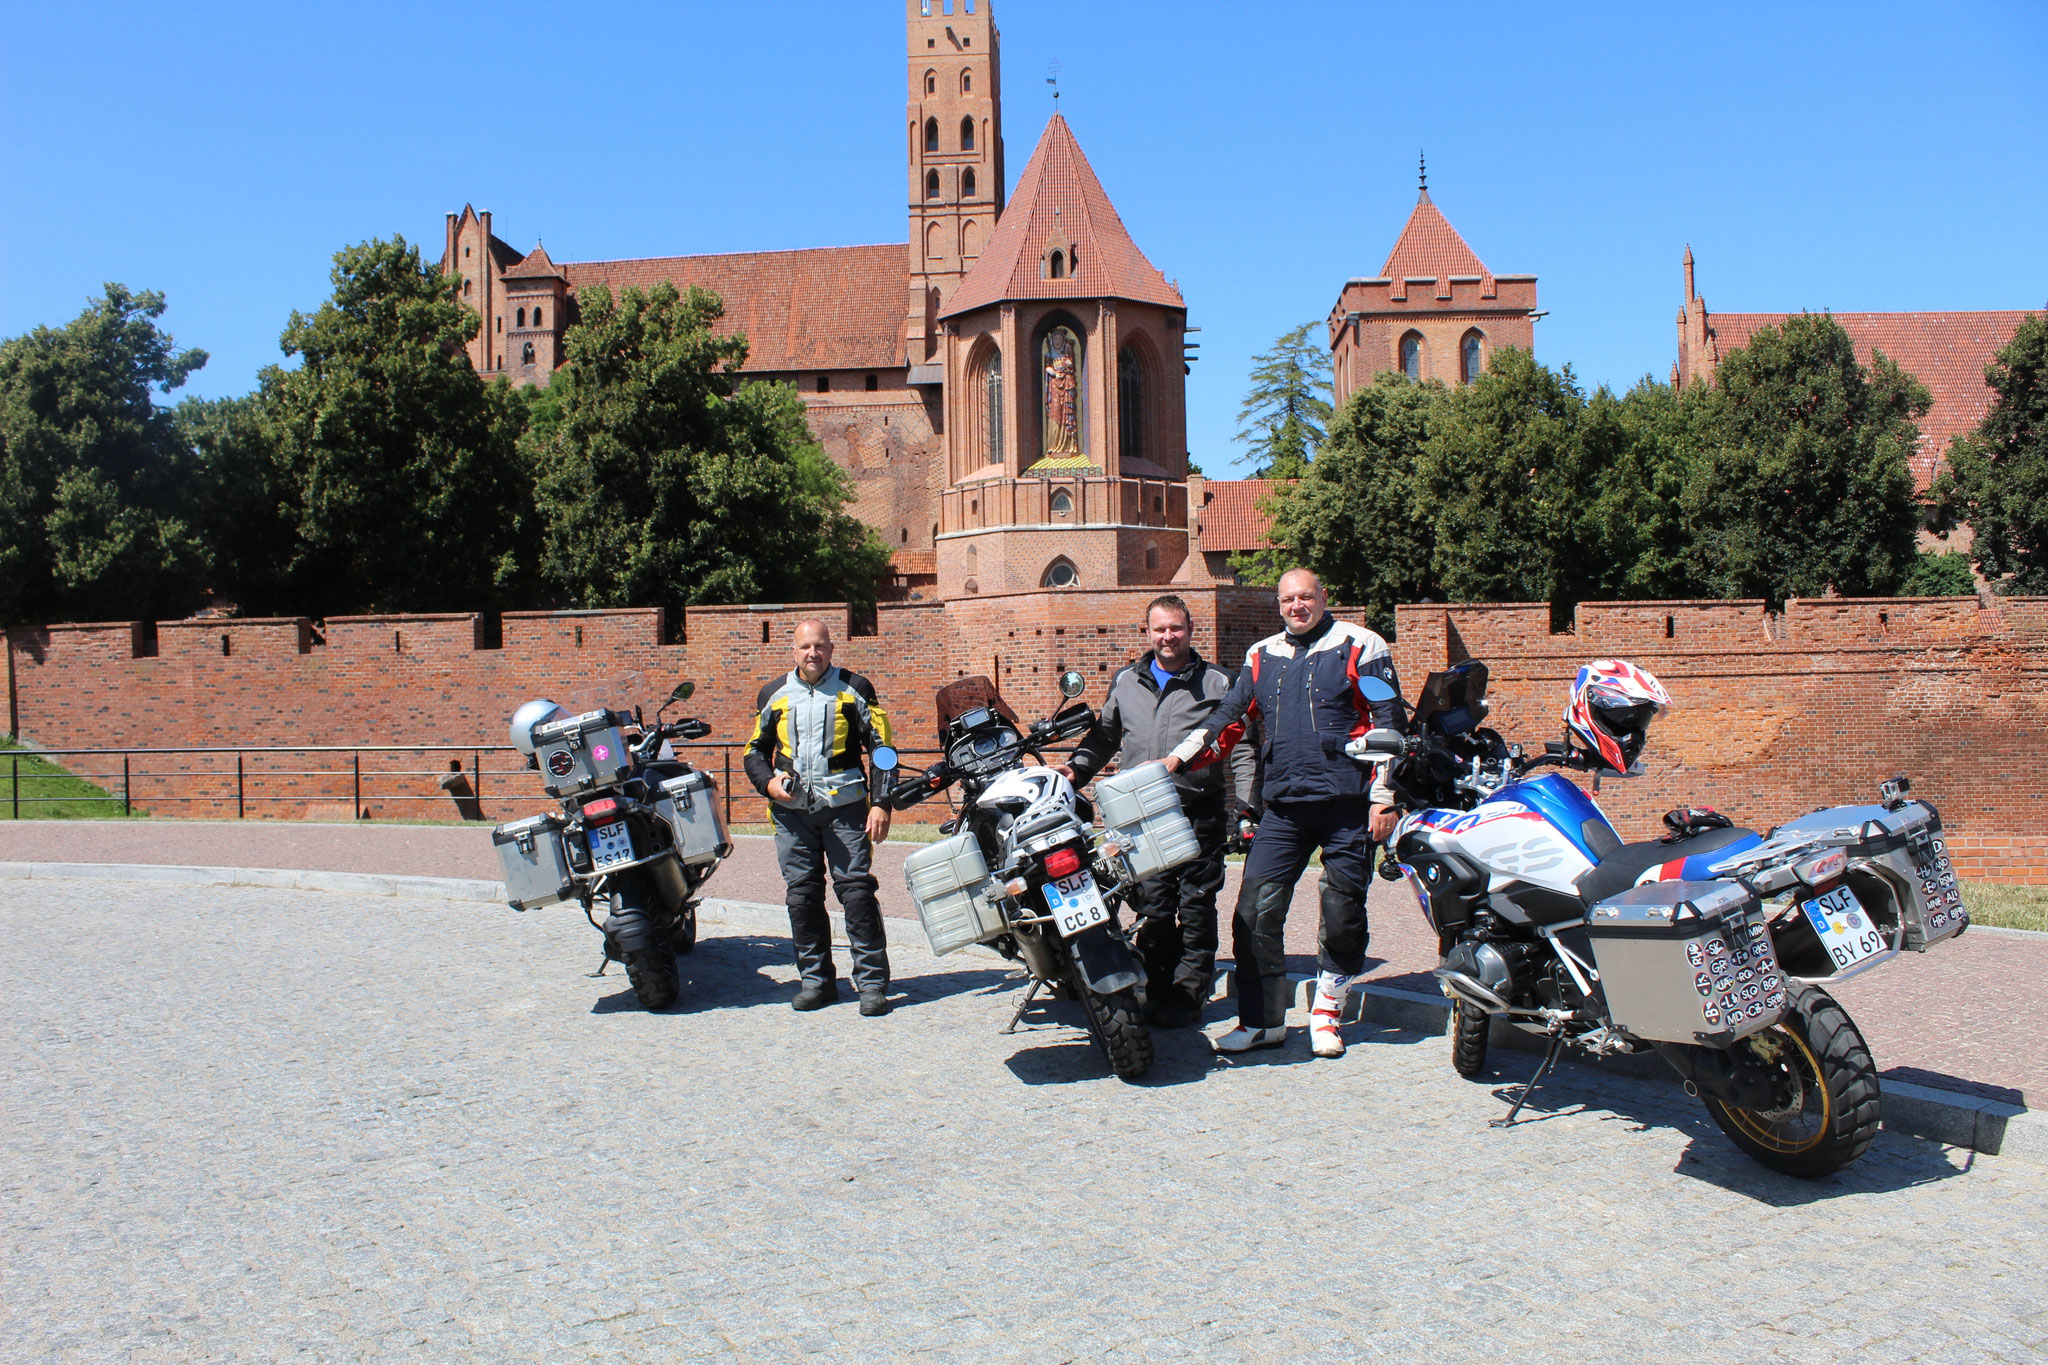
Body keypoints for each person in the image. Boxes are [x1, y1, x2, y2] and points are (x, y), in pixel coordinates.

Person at [1163, 568, 1402, 1058]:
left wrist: (1385, 796)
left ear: (1323, 597)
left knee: (1342, 913)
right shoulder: (1260, 655)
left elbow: (1390, 723)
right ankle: (1261, 1021)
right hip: (1285, 807)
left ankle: (1327, 1014)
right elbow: (1228, 717)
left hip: (1347, 805)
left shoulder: (1363, 645)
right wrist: (1177, 758)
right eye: (1289, 599)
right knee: (1254, 913)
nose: (1298, 606)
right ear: (1278, 604)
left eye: (1306, 597)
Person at [1058, 595, 1256, 1029]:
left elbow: (1241, 751)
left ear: (1190, 629)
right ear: (1148, 632)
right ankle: (1157, 987)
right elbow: (1105, 736)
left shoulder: (1220, 683)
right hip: (1138, 814)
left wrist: (1246, 806)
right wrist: (1075, 770)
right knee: (1154, 906)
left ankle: (1189, 993)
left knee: (1198, 903)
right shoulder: (1127, 680)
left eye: (1176, 628)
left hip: (1196, 810)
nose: (1169, 637)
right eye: (1160, 629)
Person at [743, 620, 896, 1016]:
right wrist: (767, 784)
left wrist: (881, 803)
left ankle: (872, 983)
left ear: (831, 648)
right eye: (805, 647)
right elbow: (753, 752)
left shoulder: (855, 689)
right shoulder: (772, 694)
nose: (813, 653)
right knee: (802, 895)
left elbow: (882, 750)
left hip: (844, 809)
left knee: (856, 891)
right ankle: (815, 980)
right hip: (792, 813)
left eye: (820, 646)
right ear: (793, 651)